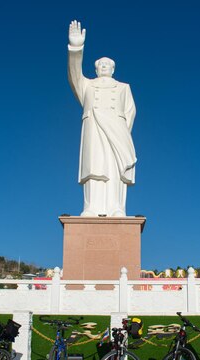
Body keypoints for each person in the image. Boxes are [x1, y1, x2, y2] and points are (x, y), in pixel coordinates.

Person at [67, 20, 137, 217]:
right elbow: (74, 75)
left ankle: (117, 207)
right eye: (101, 65)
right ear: (96, 69)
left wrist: (122, 131)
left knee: (115, 167)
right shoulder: (87, 85)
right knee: (94, 167)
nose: (104, 66)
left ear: (113, 69)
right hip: (94, 127)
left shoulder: (123, 87)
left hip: (117, 129)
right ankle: (91, 207)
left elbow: (131, 111)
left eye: (108, 64)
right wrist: (76, 48)